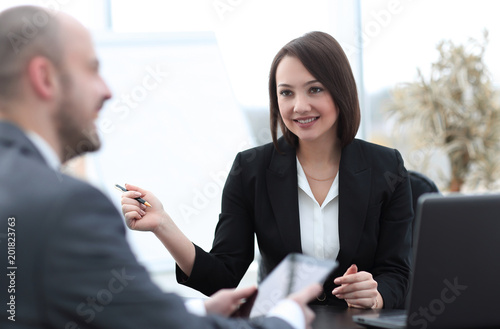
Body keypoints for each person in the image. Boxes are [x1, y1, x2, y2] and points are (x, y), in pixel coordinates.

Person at [0, 6, 321, 329]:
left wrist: (197, 311)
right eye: (92, 69)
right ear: (44, 77)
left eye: (314, 89)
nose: (108, 91)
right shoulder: (65, 205)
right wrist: (286, 319)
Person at [121, 32, 413, 309]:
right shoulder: (250, 170)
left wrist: (377, 293)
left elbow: (398, 273)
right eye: (286, 93)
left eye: (315, 89)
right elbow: (222, 277)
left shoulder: (386, 167)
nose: (299, 106)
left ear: (341, 91)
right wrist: (162, 224)